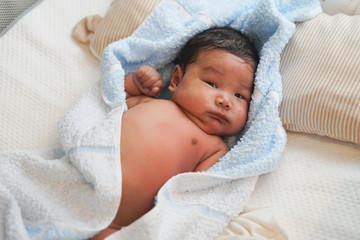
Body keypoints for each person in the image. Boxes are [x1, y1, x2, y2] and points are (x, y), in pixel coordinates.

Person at [90, 26, 259, 240]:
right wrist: (134, 83)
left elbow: (195, 194)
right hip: (87, 176)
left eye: (239, 95)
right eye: (211, 83)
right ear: (177, 80)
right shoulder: (151, 102)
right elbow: (110, 102)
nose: (225, 101)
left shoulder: (215, 148)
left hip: (118, 223)